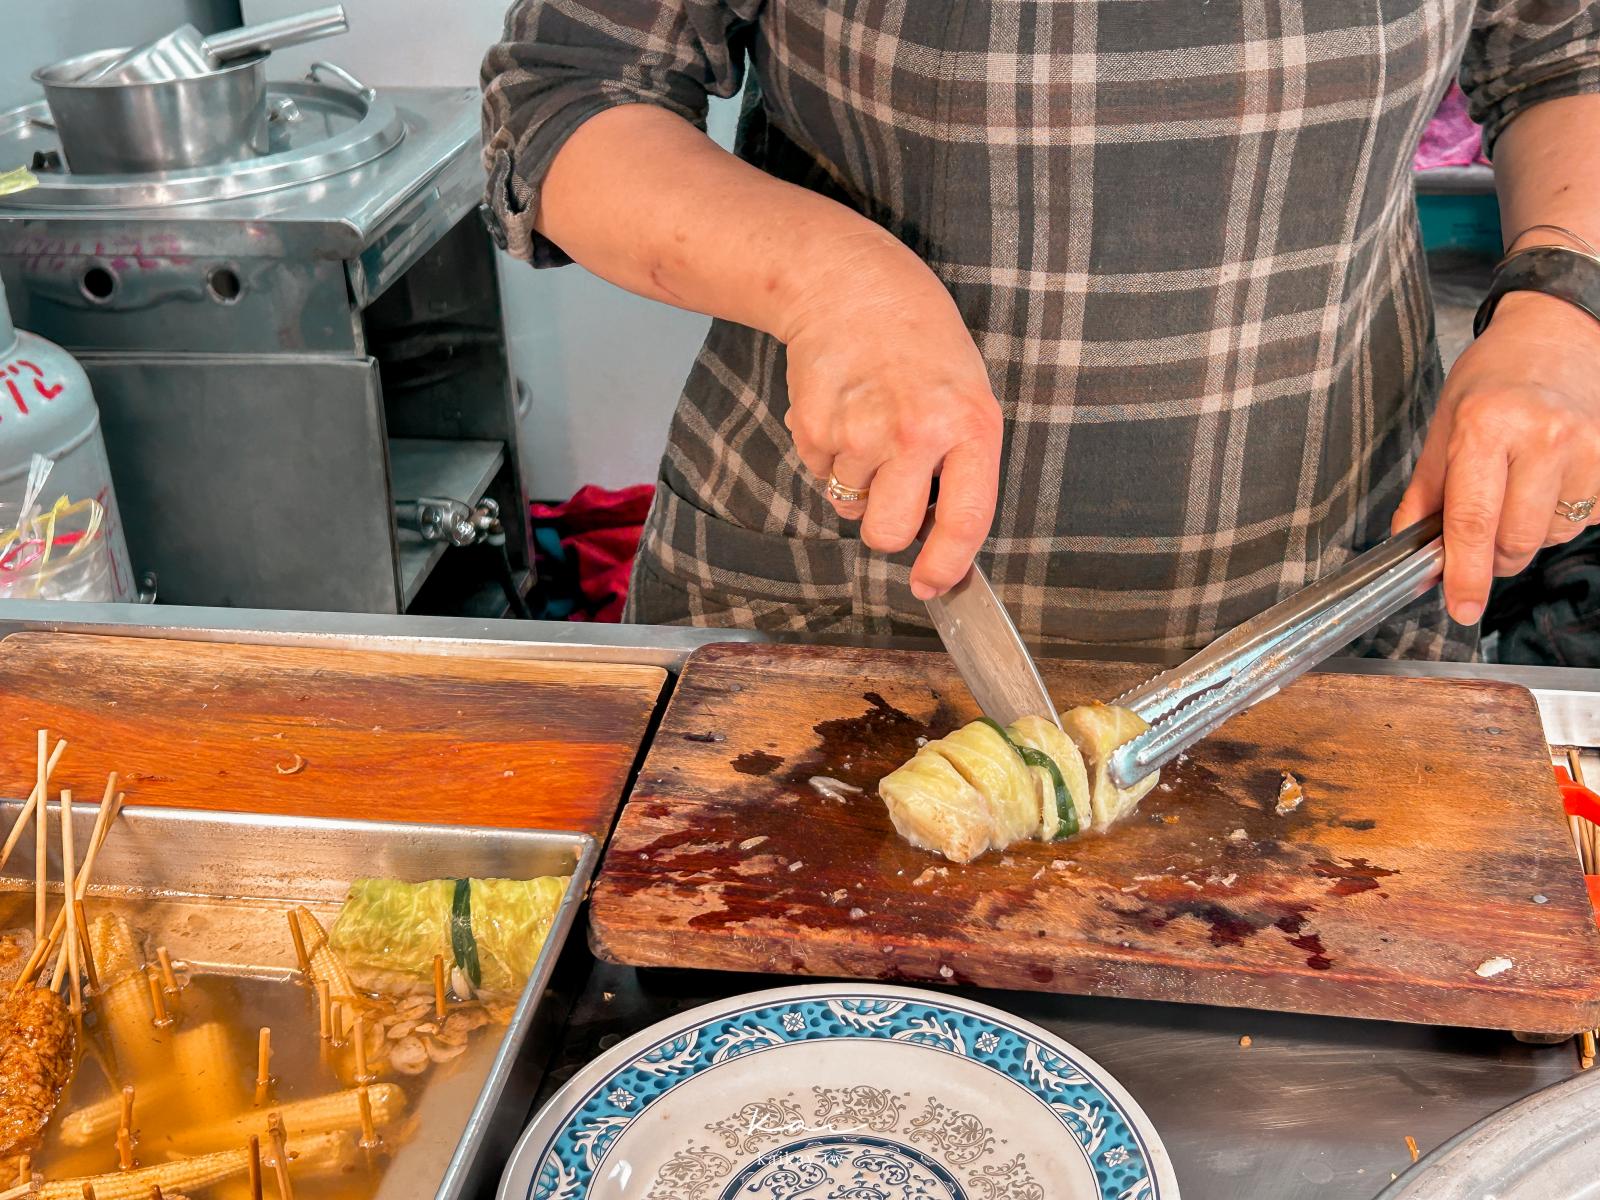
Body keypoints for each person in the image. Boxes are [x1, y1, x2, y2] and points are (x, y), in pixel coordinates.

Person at [481, 2, 1600, 658]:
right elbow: (564, 95)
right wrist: (833, 281)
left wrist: (1563, 302)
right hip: (833, 602)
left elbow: (1567, 58)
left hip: (1328, 601)